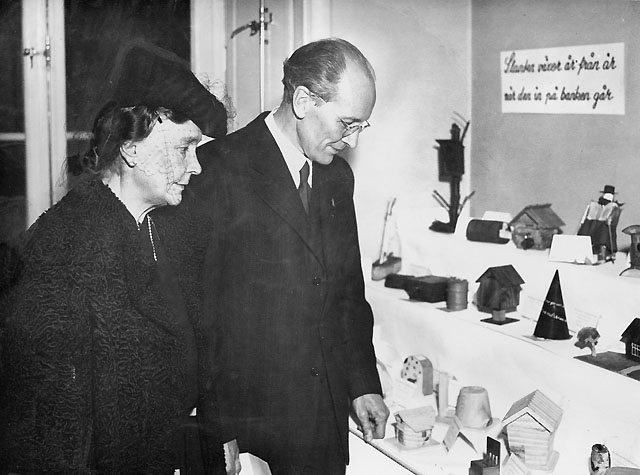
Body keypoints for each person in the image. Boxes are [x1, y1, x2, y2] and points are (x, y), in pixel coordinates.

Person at [0, 40, 238, 474]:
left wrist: (219, 434)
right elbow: (53, 430)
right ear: (132, 148)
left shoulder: (168, 226)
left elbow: (201, 345)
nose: (197, 166)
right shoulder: (63, 249)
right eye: (184, 148)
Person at [174, 37, 390, 474]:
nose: (351, 141)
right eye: (347, 123)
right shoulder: (216, 168)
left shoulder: (337, 178)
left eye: (361, 127)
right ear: (304, 100)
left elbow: (347, 292)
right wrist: (217, 429)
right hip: (248, 421)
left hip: (320, 421)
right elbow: (198, 315)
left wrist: (363, 383)